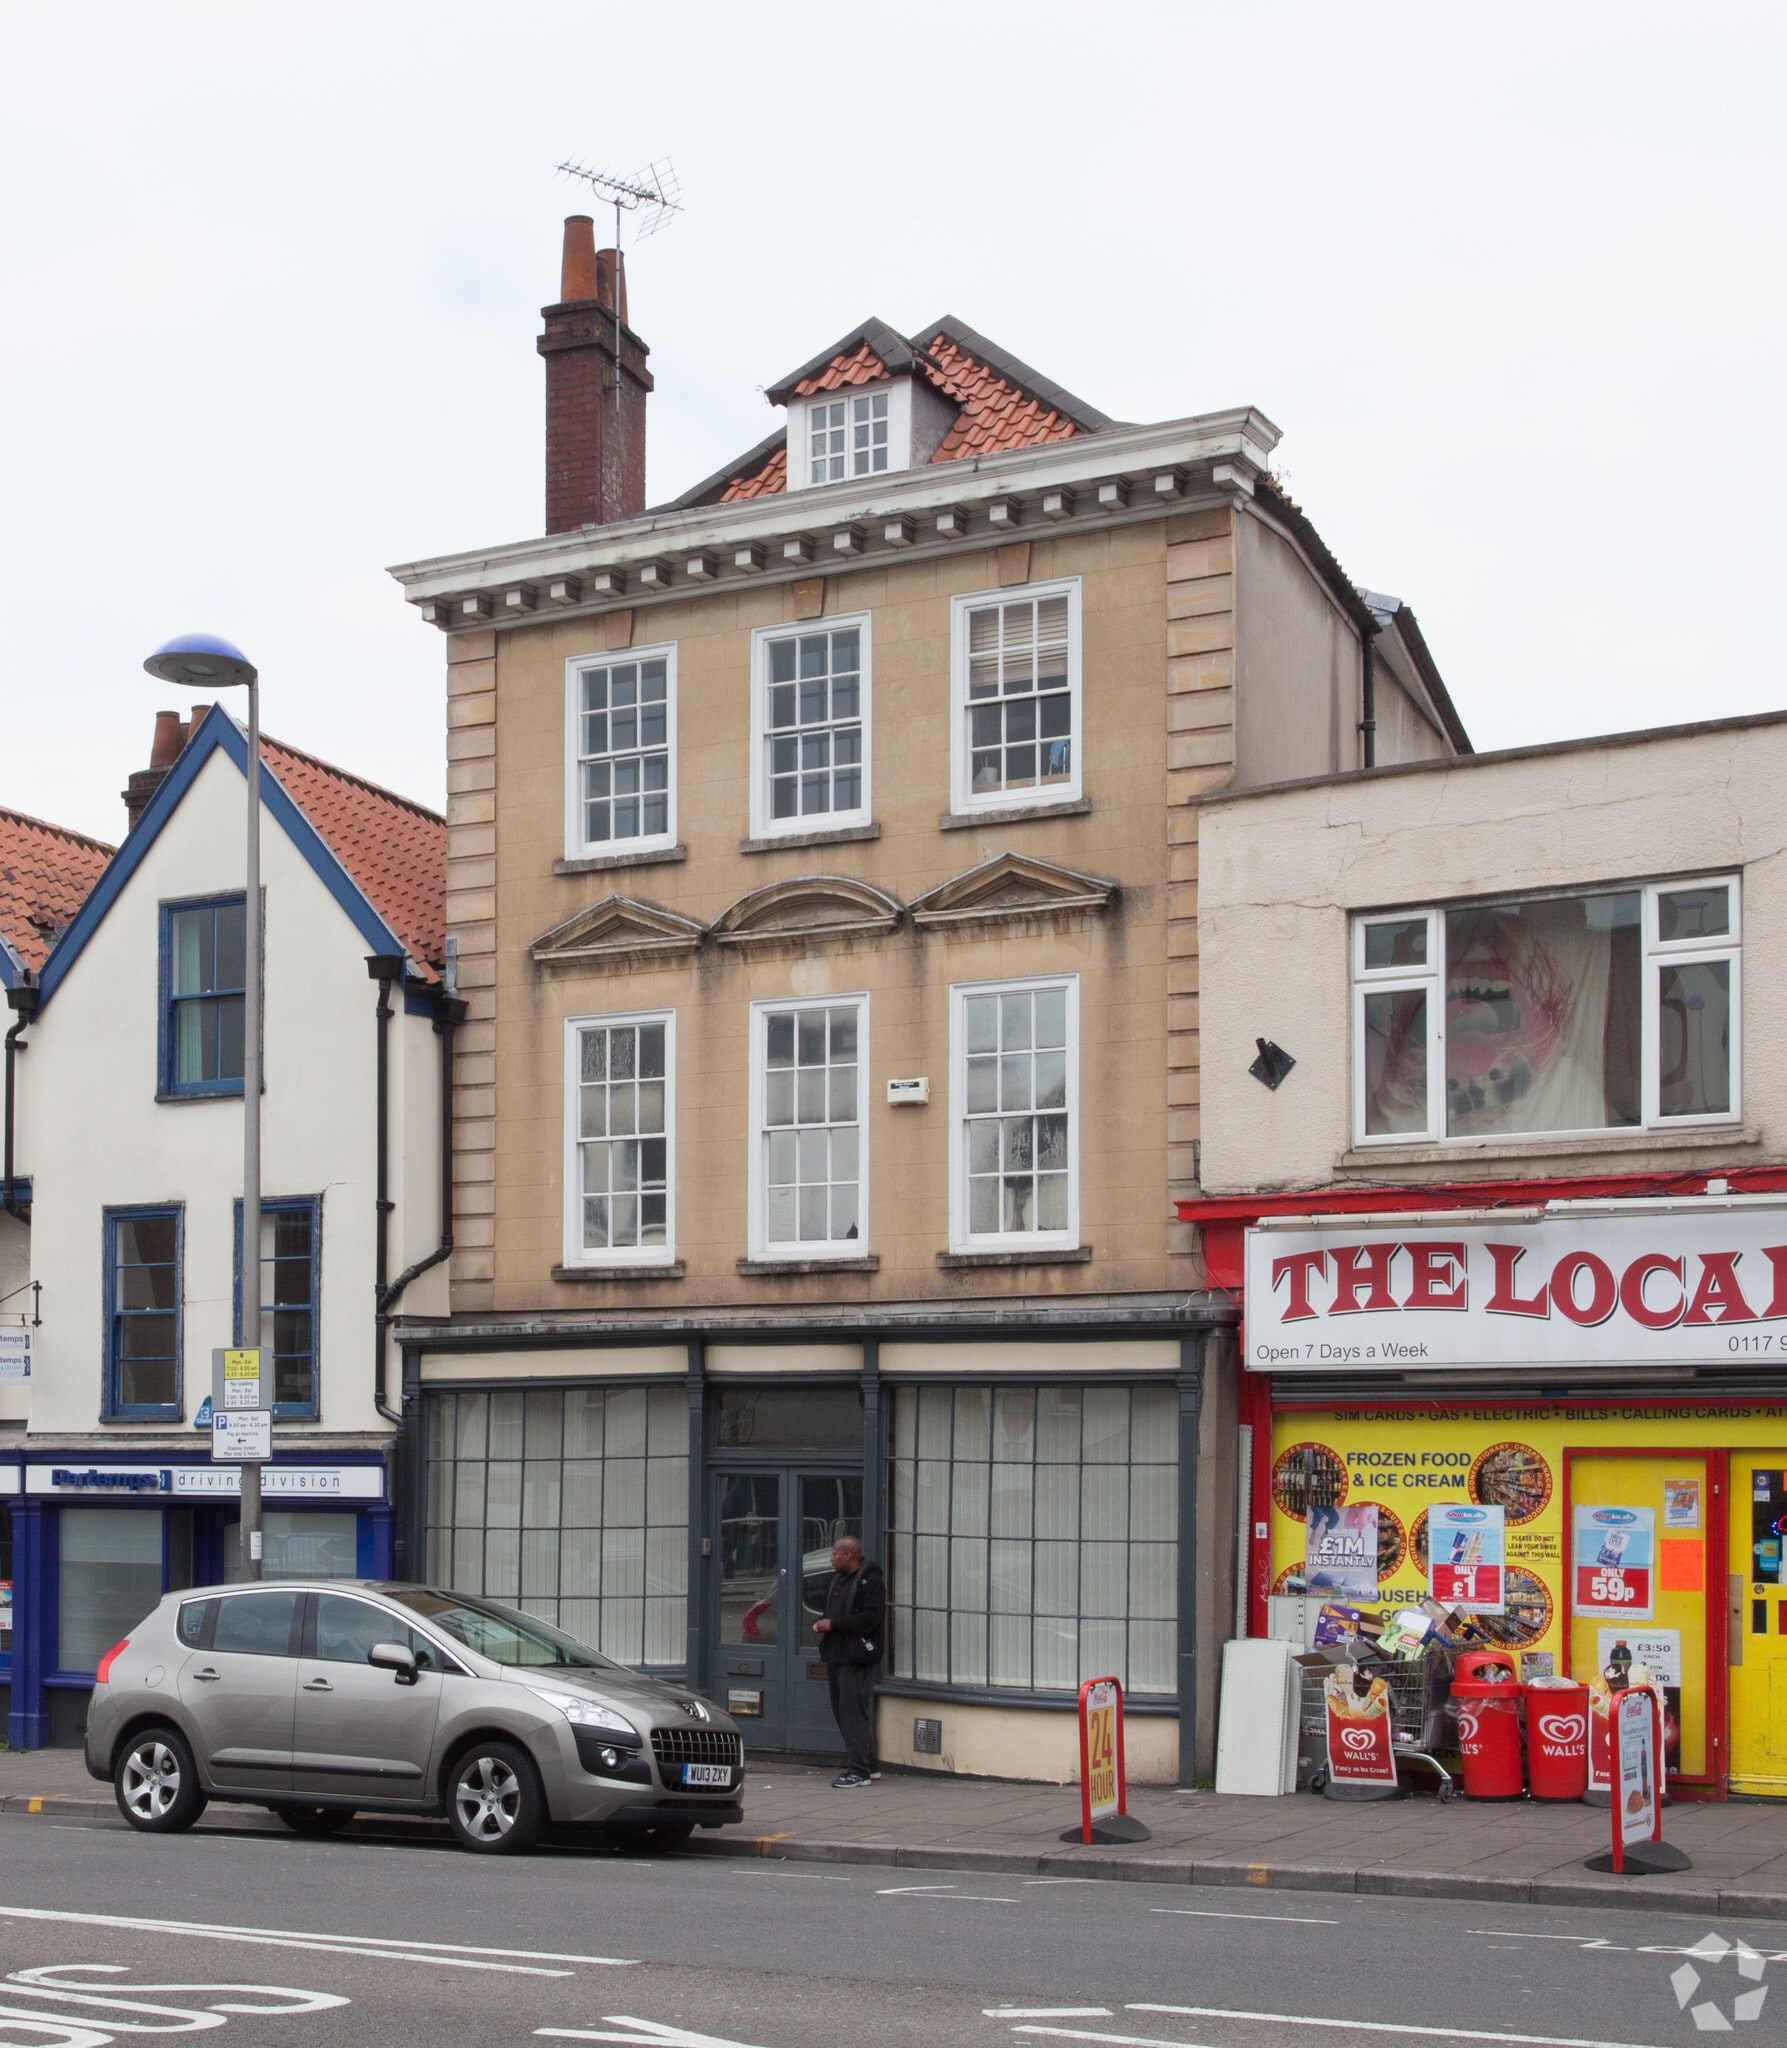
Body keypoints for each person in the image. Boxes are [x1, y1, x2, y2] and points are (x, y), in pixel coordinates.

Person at [812, 1533, 884, 1787]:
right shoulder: (838, 1579)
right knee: (842, 1712)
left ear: (848, 1555)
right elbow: (834, 1614)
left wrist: (834, 1624)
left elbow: (870, 1619)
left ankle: (858, 1771)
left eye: (835, 1554)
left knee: (853, 1714)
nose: (831, 1558)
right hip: (836, 1654)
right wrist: (824, 1623)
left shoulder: (871, 1581)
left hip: (856, 1657)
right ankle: (869, 1764)